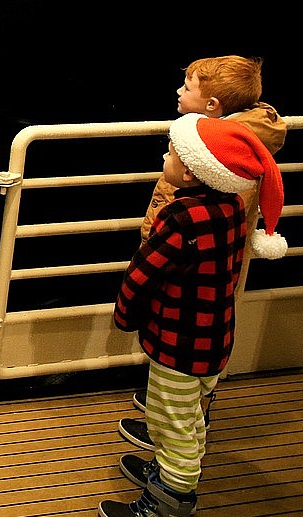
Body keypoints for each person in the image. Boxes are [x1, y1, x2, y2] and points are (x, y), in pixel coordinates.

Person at [98, 114, 287, 517]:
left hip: (177, 342)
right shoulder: (232, 208)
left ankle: (170, 504)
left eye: (170, 152)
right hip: (213, 338)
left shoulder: (182, 217)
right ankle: (166, 477)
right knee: (190, 416)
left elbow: (144, 272)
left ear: (189, 170)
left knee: (172, 422)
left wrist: (125, 314)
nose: (164, 156)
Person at [122, 55, 286, 451]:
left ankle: (171, 461)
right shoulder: (238, 149)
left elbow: (156, 267)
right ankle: (180, 416)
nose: (179, 92)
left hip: (185, 291)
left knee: (179, 384)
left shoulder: (211, 168)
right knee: (193, 373)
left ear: (212, 106)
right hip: (215, 291)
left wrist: (128, 310)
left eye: (187, 88)